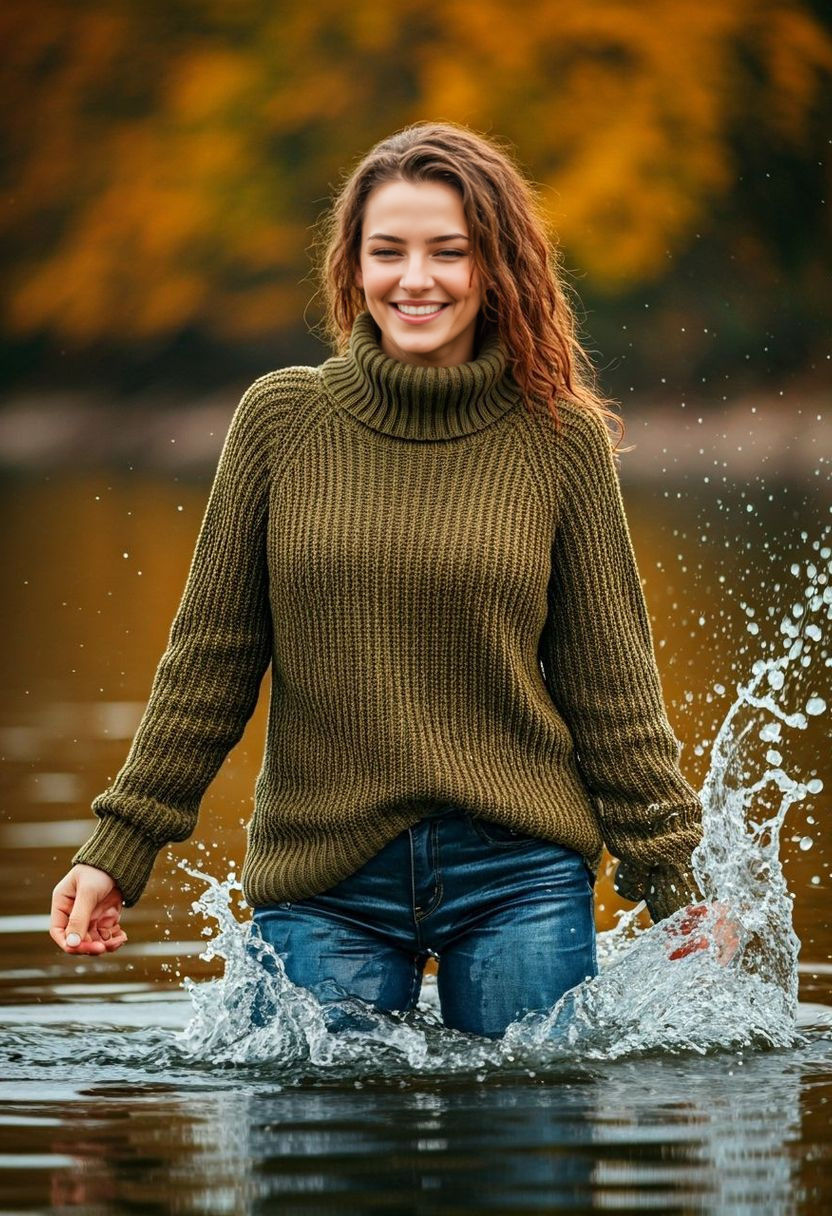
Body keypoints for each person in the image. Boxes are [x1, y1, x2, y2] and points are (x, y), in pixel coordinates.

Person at [50, 121, 738, 1038]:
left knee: (527, 1149)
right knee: (317, 1159)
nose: (416, 279)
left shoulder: (559, 442)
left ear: (494, 267)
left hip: (519, 874)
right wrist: (120, 847)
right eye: (389, 252)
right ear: (353, 266)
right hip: (323, 880)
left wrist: (678, 888)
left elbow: (611, 690)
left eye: (448, 252)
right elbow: (207, 664)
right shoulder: (279, 422)